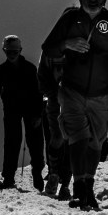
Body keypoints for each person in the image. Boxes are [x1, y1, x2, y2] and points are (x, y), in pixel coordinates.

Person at [40, 0, 108, 211]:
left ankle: (87, 185)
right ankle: (80, 188)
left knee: (96, 141)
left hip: (103, 92)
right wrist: (67, 43)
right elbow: (49, 48)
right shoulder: (69, 19)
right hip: (72, 89)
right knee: (78, 136)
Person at [0, 35, 45, 191]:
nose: (12, 54)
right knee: (15, 143)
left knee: (27, 143)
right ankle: (14, 177)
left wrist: (38, 113)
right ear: (5, 51)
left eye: (13, 51)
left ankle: (32, 174)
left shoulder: (12, 69)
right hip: (15, 110)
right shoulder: (24, 68)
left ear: (19, 50)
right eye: (9, 51)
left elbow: (37, 93)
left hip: (21, 110)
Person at [37, 21, 72, 200]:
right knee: (59, 137)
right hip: (58, 99)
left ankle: (64, 182)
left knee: (70, 139)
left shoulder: (79, 45)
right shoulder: (51, 49)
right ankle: (55, 175)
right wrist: (53, 93)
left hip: (73, 99)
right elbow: (42, 75)